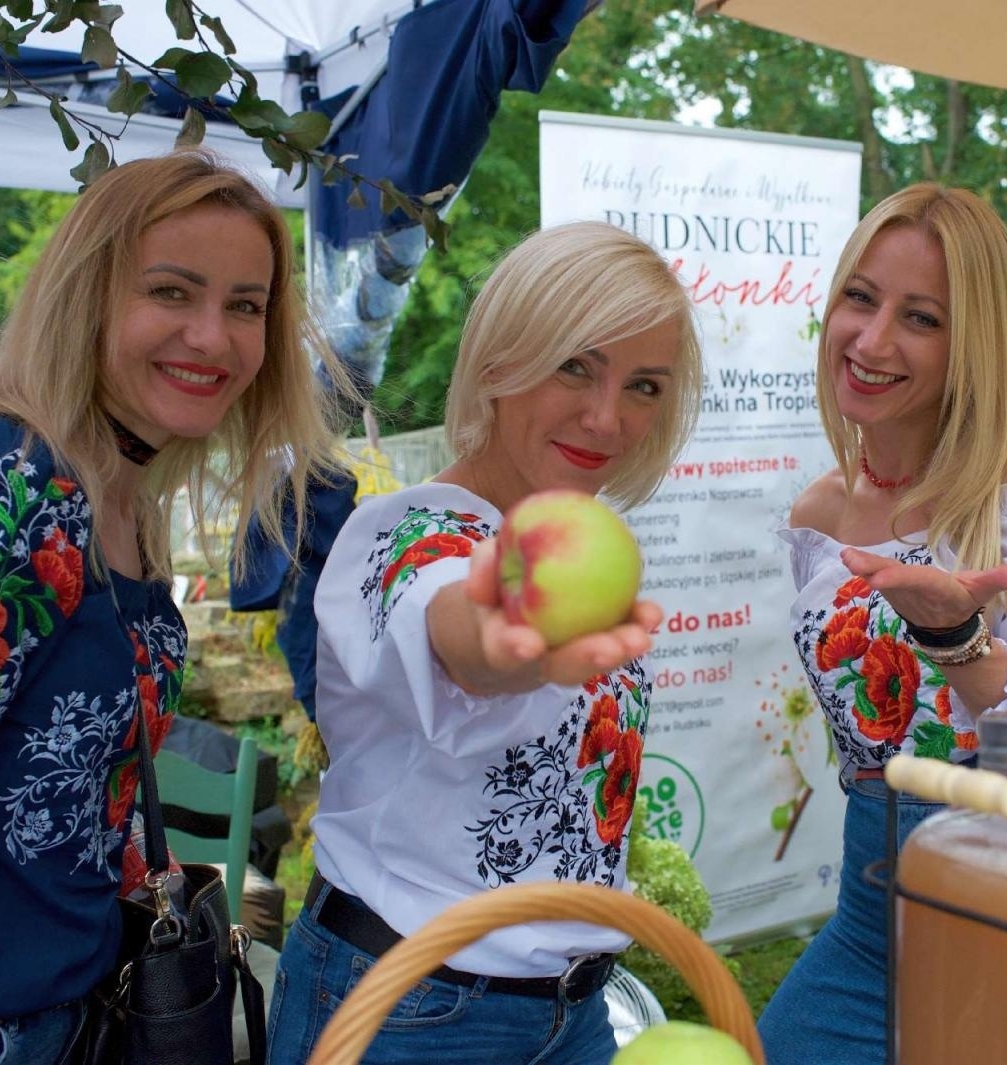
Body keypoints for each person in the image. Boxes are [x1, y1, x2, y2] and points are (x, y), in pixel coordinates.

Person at [0, 149, 347, 1064]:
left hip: (68, 1017)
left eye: (245, 305)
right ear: (88, 294)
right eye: (172, 292)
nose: (214, 338)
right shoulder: (4, 484)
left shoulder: (117, 496)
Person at [265, 221, 702, 1065]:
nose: (608, 415)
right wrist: (504, 649)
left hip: (571, 1013)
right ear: (502, 359)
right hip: (409, 1012)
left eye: (645, 385)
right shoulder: (408, 532)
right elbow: (453, 623)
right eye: (575, 364)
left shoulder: (584, 539)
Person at [757, 183, 1007, 1064]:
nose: (874, 340)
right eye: (861, 297)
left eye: (921, 318)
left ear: (975, 340)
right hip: (870, 903)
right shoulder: (817, 512)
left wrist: (959, 642)